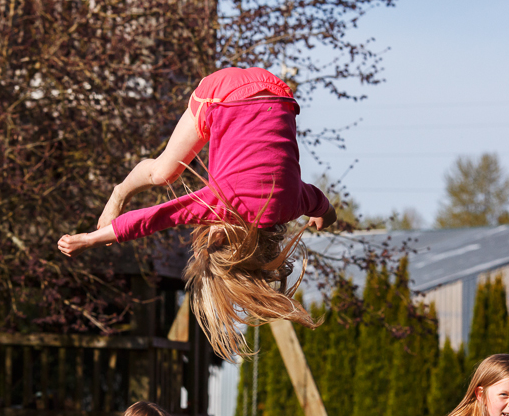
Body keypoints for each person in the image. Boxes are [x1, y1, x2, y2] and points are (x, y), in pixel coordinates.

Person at [57, 67, 337, 362]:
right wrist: (89, 240)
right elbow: (152, 218)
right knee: (162, 172)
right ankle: (120, 191)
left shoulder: (290, 204)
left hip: (277, 93)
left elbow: (322, 204)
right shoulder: (220, 202)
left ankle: (121, 192)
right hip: (222, 94)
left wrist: (325, 217)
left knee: (166, 172)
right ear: (217, 236)